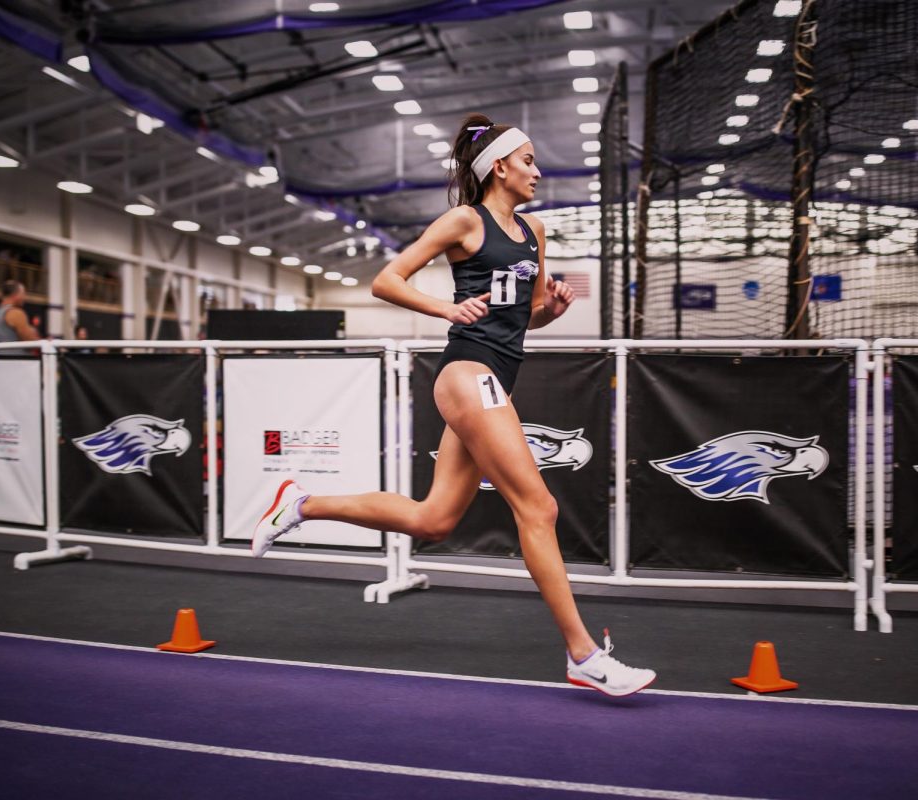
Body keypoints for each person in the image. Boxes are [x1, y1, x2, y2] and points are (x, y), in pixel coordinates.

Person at [251, 114, 656, 697]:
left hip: (497, 377)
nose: (538, 172)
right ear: (499, 167)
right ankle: (583, 655)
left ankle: (303, 504)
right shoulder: (464, 221)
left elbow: (528, 315)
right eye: (528, 161)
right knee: (538, 508)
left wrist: (554, 312)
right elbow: (387, 280)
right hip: (467, 374)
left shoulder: (534, 231)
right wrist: (446, 309)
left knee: (433, 521)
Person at [0, 279, 40, 355]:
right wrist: (43, 340)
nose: (24, 298)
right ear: (16, 295)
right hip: (17, 361)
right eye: (23, 294)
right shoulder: (16, 313)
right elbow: (30, 341)